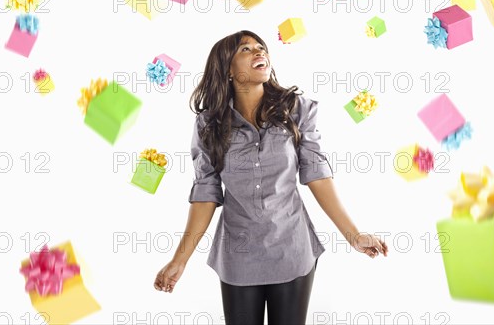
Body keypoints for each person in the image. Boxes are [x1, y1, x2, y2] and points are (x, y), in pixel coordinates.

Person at [154, 30, 388, 324]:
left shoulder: (297, 110)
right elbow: (205, 193)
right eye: (245, 49)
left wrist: (353, 235)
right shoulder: (208, 125)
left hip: (292, 249)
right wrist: (180, 260)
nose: (258, 52)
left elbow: (317, 174)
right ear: (227, 70)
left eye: (260, 47)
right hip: (238, 256)